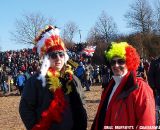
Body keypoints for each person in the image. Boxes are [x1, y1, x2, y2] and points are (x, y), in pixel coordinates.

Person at [19, 25, 87, 130]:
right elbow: (25, 108)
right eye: (53, 55)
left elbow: (82, 102)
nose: (58, 58)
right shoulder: (36, 81)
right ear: (47, 58)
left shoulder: (73, 79)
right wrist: (36, 127)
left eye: (61, 54)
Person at [91, 42, 156, 130]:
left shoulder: (140, 87)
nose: (116, 65)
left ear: (129, 62)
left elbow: (147, 123)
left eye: (121, 61)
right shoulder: (110, 86)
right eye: (113, 62)